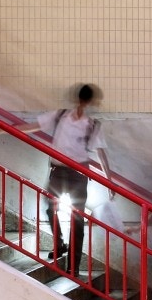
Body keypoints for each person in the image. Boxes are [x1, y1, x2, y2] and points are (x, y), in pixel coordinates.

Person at [37, 84, 111, 275]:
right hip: (58, 170)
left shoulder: (92, 124)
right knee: (50, 207)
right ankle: (61, 243)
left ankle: (74, 266)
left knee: (77, 219)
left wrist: (109, 181)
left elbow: (100, 153)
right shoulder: (61, 115)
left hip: (78, 174)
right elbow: (35, 126)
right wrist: (3, 130)